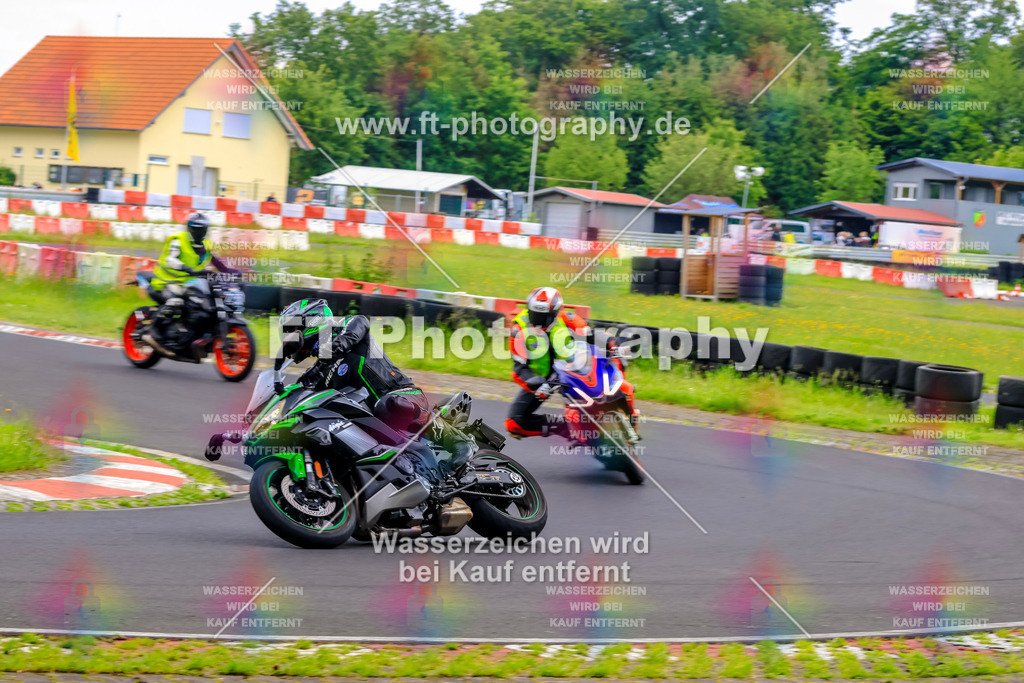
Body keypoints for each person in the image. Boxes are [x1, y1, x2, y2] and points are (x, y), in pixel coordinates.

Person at [275, 299, 432, 434]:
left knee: (387, 405)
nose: (289, 338)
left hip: (402, 394)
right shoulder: (318, 371)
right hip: (372, 425)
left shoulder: (348, 327)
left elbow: (360, 323)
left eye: (291, 330)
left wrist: (335, 347)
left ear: (312, 321)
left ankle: (440, 427)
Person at [505, 287, 589, 439]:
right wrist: (536, 383)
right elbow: (518, 369)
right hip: (545, 381)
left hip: (573, 371)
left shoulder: (568, 319)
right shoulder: (518, 330)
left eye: (543, 316)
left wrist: (611, 343)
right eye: (535, 314)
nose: (538, 320)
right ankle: (564, 427)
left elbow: (592, 336)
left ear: (555, 312)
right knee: (514, 423)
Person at [143, 212, 237, 347]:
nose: (199, 232)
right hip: (166, 281)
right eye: (196, 229)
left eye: (202, 229)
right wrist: (186, 268)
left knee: (206, 302)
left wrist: (236, 273)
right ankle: (154, 330)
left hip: (188, 283)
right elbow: (170, 259)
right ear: (189, 228)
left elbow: (219, 264)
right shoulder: (178, 240)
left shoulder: (206, 245)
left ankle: (192, 332)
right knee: (175, 302)